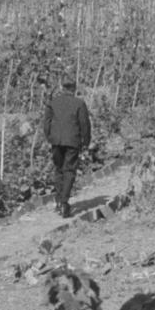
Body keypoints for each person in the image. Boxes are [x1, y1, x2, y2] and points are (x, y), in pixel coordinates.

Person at [40, 79, 92, 216]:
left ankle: (58, 200)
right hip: (72, 141)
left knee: (59, 169)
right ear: (74, 88)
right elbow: (85, 124)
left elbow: (46, 123)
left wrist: (49, 137)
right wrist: (86, 142)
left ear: (62, 87)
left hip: (56, 141)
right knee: (69, 170)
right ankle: (64, 202)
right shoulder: (79, 103)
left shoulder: (53, 103)